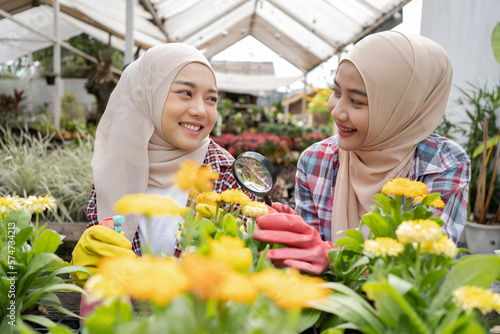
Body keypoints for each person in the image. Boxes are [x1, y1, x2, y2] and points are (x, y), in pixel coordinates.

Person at [253, 31, 471, 275]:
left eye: (357, 101)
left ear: (403, 106)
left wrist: (334, 257)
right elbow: (309, 260)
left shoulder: (441, 164)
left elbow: (424, 268)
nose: (336, 112)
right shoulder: (316, 160)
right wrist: (295, 232)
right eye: (337, 92)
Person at [71, 43, 256, 278]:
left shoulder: (226, 174)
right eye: (186, 93)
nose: (200, 110)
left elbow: (249, 267)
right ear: (148, 96)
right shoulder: (116, 168)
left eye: (211, 99)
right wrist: (84, 268)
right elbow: (99, 265)